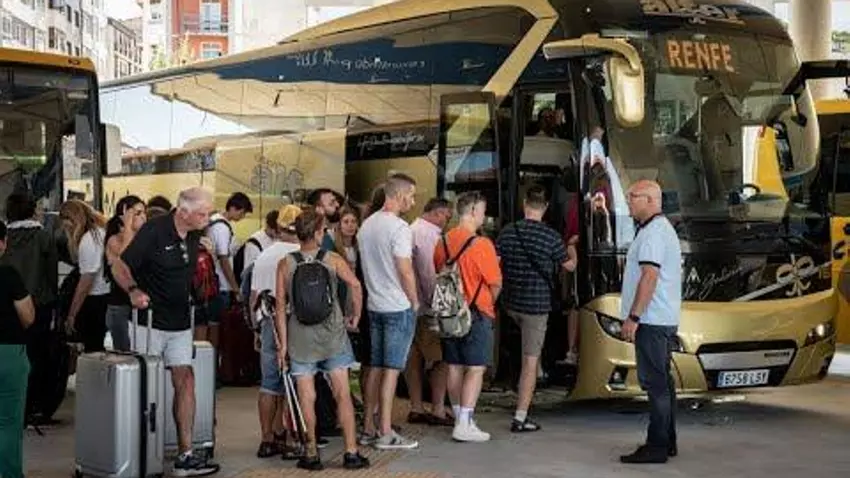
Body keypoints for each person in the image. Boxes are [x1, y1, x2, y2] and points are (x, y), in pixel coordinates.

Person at [111, 187, 221, 476]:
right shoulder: (154, 231)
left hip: (180, 322)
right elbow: (119, 266)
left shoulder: (195, 234)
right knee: (145, 386)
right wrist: (133, 290)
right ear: (182, 212)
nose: (207, 219)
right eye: (202, 214)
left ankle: (185, 454)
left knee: (185, 378)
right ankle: (137, 455)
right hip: (148, 322)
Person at [274, 210, 370, 471]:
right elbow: (356, 285)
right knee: (342, 394)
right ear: (318, 233)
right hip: (333, 335)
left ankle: (311, 453)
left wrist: (283, 345)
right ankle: (351, 452)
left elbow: (280, 307)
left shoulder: (285, 264)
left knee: (307, 396)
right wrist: (355, 316)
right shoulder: (332, 259)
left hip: (300, 338)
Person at [496, 185, 575, 432]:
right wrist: (572, 247)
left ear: (524, 204)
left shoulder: (507, 232)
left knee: (519, 350)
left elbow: (496, 264)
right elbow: (569, 266)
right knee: (529, 362)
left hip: (509, 304)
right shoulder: (551, 237)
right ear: (546, 207)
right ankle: (521, 417)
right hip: (536, 307)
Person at [618, 179, 682, 464]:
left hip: (652, 320)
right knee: (663, 383)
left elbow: (649, 277)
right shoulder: (655, 230)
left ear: (651, 200)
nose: (629, 201)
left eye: (633, 196)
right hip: (660, 319)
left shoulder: (654, 233)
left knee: (655, 384)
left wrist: (634, 317)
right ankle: (666, 441)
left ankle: (656, 446)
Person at [356, 173, 420, 449]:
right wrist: (414, 300)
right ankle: (385, 431)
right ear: (399, 195)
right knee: (391, 370)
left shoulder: (367, 225)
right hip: (397, 305)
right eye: (411, 196)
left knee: (375, 367)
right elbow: (404, 269)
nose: (413, 202)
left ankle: (368, 427)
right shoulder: (400, 228)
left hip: (374, 305)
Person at [433, 192, 502, 442]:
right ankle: (464, 422)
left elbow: (439, 271)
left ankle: (459, 417)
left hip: (449, 314)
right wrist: (486, 304)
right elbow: (495, 283)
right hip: (476, 313)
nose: (484, 215)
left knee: (454, 365)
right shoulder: (482, 244)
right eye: (482, 210)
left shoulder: (442, 242)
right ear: (472, 211)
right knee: (475, 368)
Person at [249, 205, 302, 459]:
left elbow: (254, 297)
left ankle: (268, 438)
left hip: (267, 322)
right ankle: (291, 437)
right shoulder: (301, 255)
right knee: (296, 380)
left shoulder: (264, 255)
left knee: (269, 383)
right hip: (294, 324)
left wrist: (256, 330)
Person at [406, 198, 453, 427]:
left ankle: (416, 406)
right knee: (440, 358)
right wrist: (438, 304)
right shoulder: (428, 234)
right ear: (438, 213)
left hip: (410, 306)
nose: (447, 221)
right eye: (447, 216)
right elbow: (428, 272)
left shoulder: (411, 229)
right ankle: (438, 409)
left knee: (413, 357)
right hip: (427, 308)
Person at [0, 221, 36, 478]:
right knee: (9, 423)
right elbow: (28, 316)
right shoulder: (9, 275)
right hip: (8, 354)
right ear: (2, 244)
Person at [59, 200, 110, 353]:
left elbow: (85, 282)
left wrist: (72, 314)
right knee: (96, 346)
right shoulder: (100, 232)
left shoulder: (89, 240)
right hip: (105, 296)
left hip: (95, 300)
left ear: (71, 219)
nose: (64, 227)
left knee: (92, 348)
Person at [203, 192, 253, 348]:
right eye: (242, 212)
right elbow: (224, 260)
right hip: (220, 285)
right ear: (233, 208)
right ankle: (214, 358)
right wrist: (236, 288)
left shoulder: (214, 221)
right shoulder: (222, 228)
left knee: (211, 324)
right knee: (216, 326)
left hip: (212, 283)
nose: (242, 217)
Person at [104, 195, 147, 351]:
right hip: (120, 306)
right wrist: (128, 225)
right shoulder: (114, 240)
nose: (143, 217)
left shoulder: (144, 239)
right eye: (137, 213)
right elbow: (124, 259)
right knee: (125, 354)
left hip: (140, 305)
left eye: (144, 212)